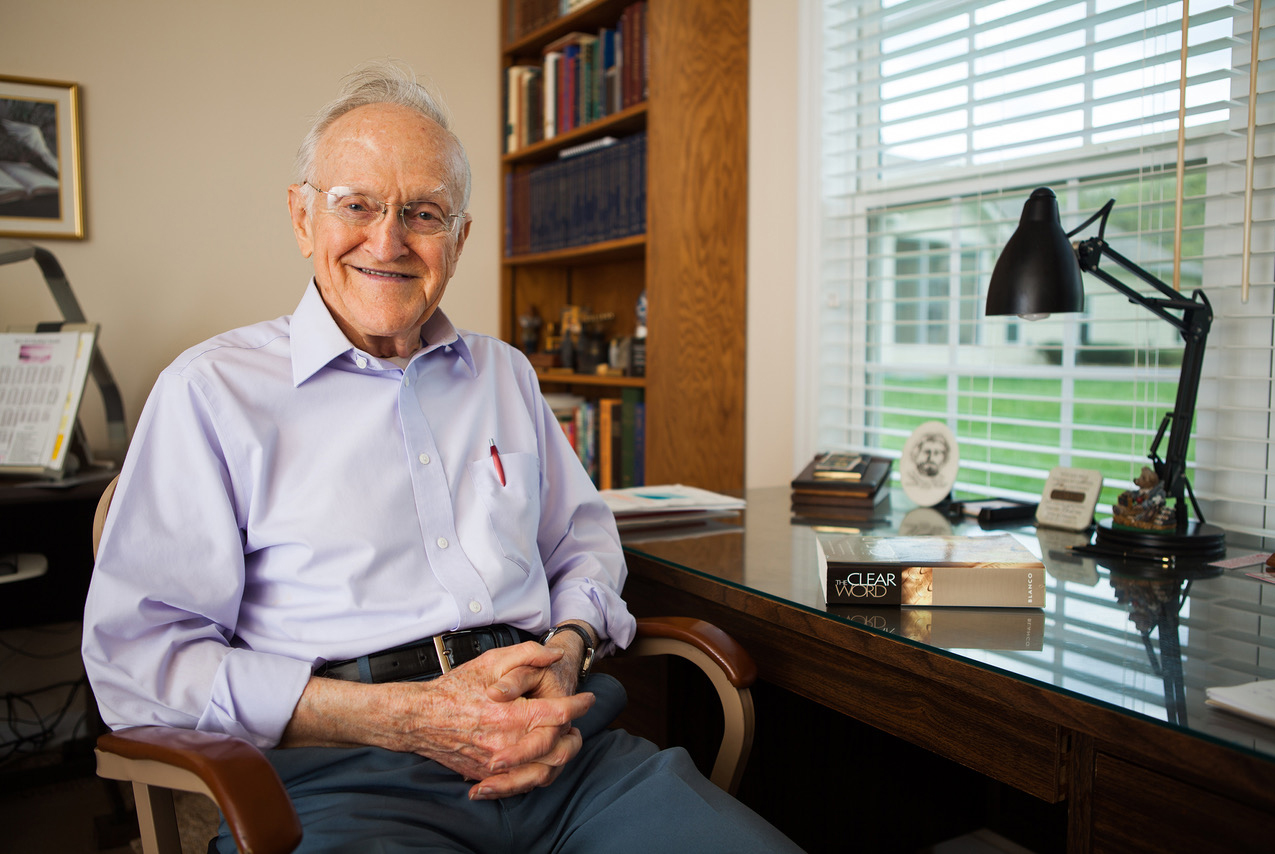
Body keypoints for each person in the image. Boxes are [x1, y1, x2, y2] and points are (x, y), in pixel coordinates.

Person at [81, 62, 801, 854]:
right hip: (347, 776)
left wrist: (567, 652)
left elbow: (582, 545)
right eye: (356, 205)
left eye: (423, 213)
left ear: (457, 239)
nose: (387, 241)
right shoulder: (209, 392)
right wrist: (405, 718)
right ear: (300, 218)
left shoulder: (507, 375)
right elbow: (138, 664)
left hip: (567, 754)